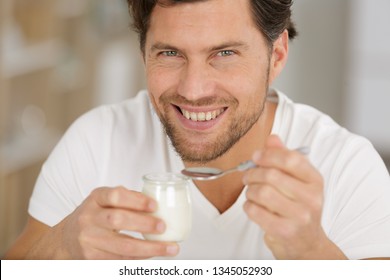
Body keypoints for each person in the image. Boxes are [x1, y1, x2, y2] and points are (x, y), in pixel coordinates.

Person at [5, 0, 390, 260]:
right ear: (144, 54)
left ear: (276, 56)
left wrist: (313, 252)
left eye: (224, 54)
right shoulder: (95, 141)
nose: (193, 90)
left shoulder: (347, 167)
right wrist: (62, 249)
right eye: (170, 53)